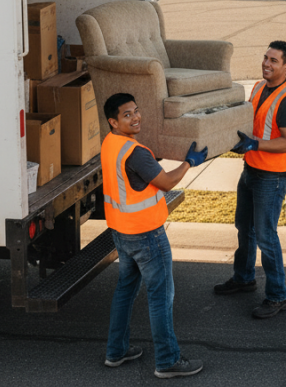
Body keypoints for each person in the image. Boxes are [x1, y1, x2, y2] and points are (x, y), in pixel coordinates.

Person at [101, 92, 207, 378]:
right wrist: (189, 162)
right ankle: (167, 360)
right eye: (127, 115)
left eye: (136, 111)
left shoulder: (111, 144)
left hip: (122, 232)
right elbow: (167, 182)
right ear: (113, 121)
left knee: (125, 290)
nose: (135, 117)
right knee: (161, 296)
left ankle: (116, 351)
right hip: (147, 235)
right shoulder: (134, 152)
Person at [215, 40, 286, 319]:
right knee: (244, 227)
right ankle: (243, 278)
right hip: (251, 169)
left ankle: (278, 296)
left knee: (266, 236)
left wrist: (255, 145)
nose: (266, 63)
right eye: (265, 58)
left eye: (273, 61)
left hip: (273, 177)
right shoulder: (258, 87)